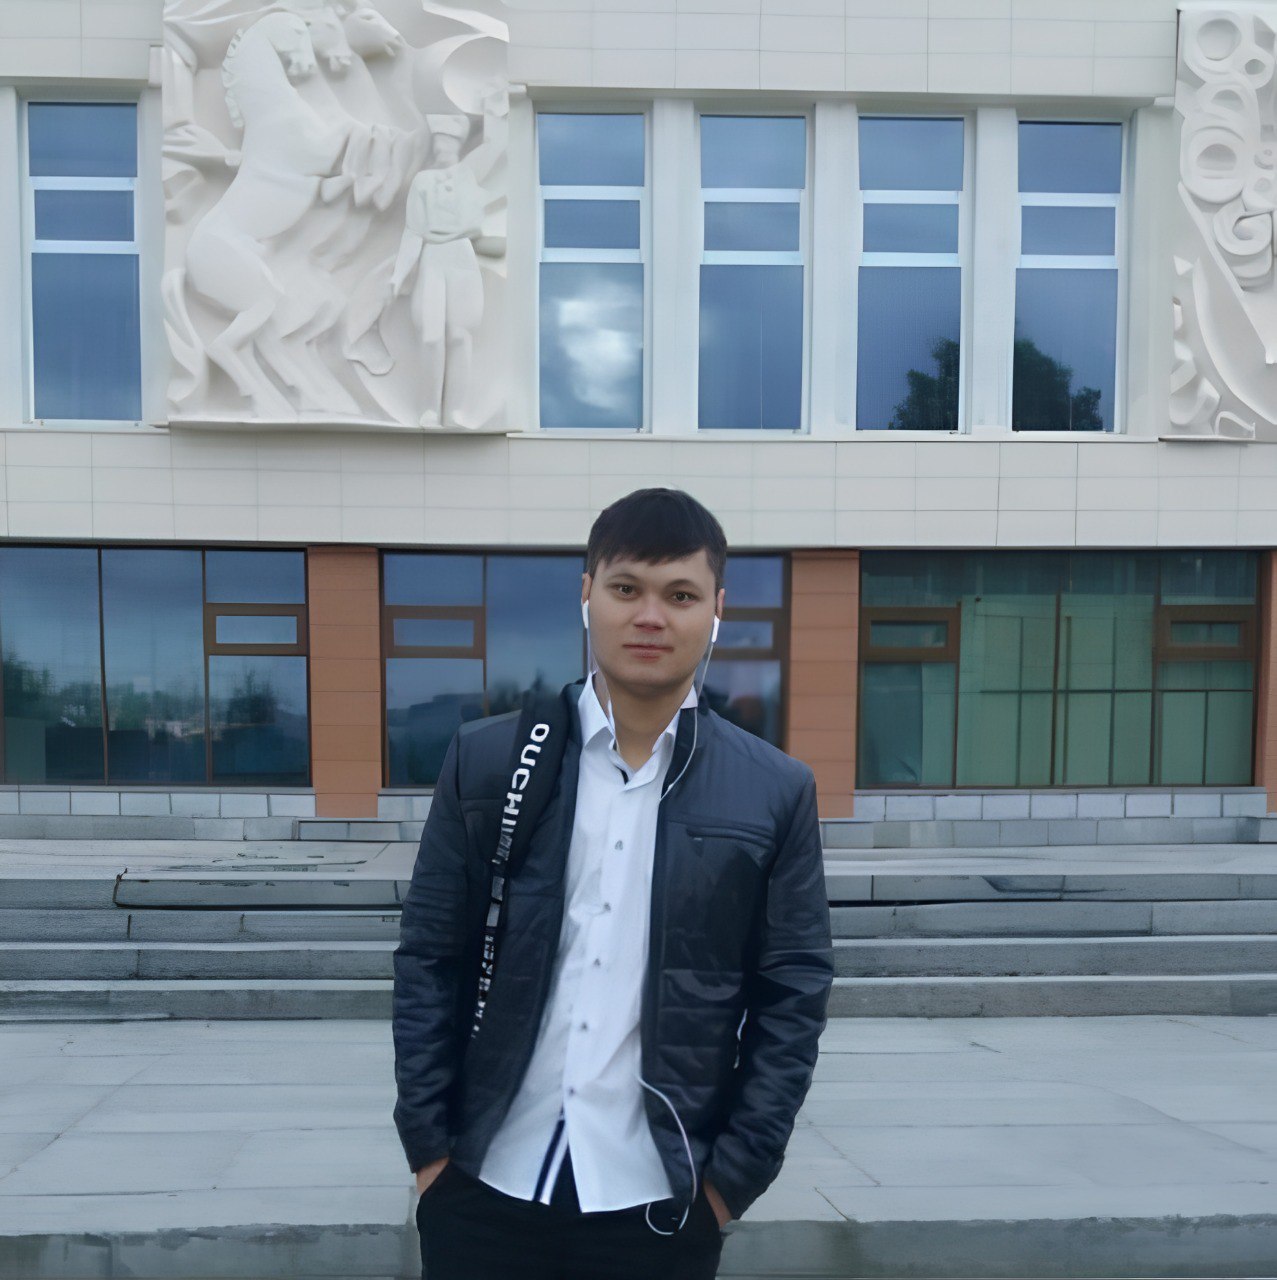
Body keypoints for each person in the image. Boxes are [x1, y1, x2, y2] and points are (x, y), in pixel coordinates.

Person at [392, 487, 834, 1280]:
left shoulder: (773, 790)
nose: (650, 616)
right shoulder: (490, 761)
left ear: (716, 609)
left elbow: (791, 997)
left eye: (680, 595)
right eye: (626, 588)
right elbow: (428, 957)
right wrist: (429, 1150)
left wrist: (729, 1185)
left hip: (659, 1200)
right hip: (483, 1183)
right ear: (586, 593)